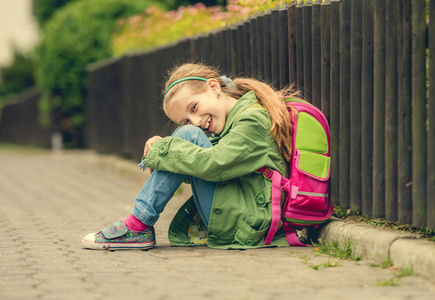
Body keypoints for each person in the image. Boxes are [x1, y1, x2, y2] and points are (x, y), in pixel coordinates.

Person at [81, 62, 299, 250]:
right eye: (185, 119)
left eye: (193, 107)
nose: (195, 121)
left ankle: (138, 225)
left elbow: (214, 165)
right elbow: (196, 170)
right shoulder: (230, 123)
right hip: (243, 215)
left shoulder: (252, 120)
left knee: (188, 136)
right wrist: (167, 149)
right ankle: (138, 225)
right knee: (187, 138)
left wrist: (166, 150)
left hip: (249, 224)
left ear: (214, 87)